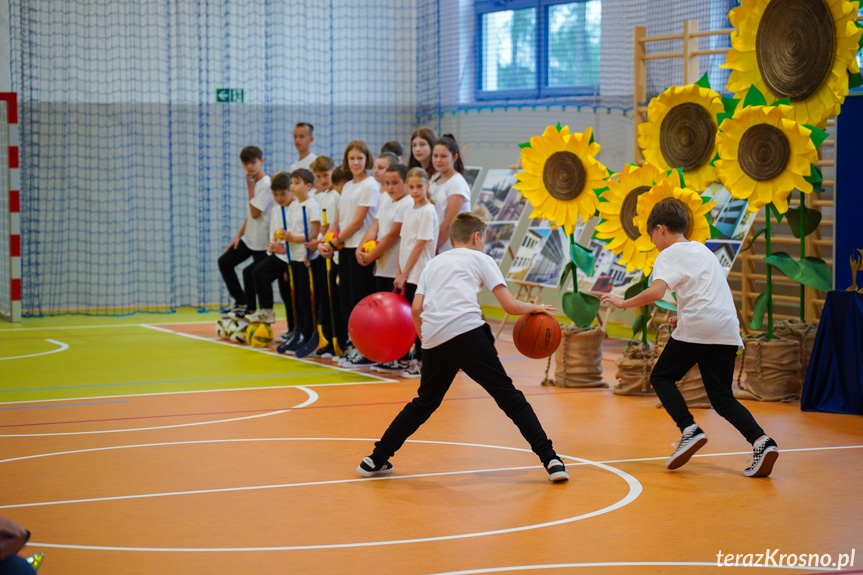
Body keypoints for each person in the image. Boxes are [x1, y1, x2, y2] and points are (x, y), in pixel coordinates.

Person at [356, 212, 569, 483]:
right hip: (468, 332)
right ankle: (551, 460)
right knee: (509, 397)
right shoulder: (481, 258)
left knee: (424, 403)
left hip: (435, 338)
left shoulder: (432, 264)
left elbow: (417, 308)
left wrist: (426, 340)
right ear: (477, 237)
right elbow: (510, 306)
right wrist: (536, 307)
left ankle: (374, 459)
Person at [600, 197, 779, 478]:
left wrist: (622, 302)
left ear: (660, 229)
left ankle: (689, 429)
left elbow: (658, 292)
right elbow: (710, 292)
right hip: (726, 327)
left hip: (700, 325)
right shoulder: (704, 252)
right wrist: (683, 317)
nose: (654, 244)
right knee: (722, 397)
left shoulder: (668, 254)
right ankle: (762, 442)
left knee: (661, 377)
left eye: (652, 237)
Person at [326, 141, 380, 367]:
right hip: (345, 249)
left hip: (360, 248)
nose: (356, 162)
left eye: (360, 158)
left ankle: (367, 349)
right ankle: (354, 344)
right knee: (347, 299)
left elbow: (358, 222)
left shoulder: (370, 185)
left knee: (361, 300)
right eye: (352, 159)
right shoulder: (348, 185)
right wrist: (326, 241)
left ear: (367, 159)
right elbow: (338, 219)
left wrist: (336, 241)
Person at [255, 168, 321, 354]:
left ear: (308, 186)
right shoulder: (292, 207)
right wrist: (284, 240)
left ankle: (310, 336)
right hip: (294, 258)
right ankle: (298, 333)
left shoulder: (312, 205)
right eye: (291, 183)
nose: (292, 186)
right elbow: (291, 234)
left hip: (307, 259)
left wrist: (292, 238)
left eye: (296, 183)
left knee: (307, 302)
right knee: (298, 299)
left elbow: (314, 235)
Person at [218, 146, 273, 318]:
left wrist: (249, 188)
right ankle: (240, 301)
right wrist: (238, 235)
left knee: (253, 274)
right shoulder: (254, 182)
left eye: (253, 162)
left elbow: (255, 212)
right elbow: (250, 215)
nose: (250, 167)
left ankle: (254, 309)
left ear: (261, 161)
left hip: (263, 241)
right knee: (225, 262)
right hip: (250, 238)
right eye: (246, 164)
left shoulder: (266, 184)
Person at [394, 167, 438, 378]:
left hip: (420, 272)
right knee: (409, 318)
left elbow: (420, 244)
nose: (414, 191)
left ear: (427, 186)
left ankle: (423, 361)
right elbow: (404, 242)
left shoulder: (428, 211)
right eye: (411, 187)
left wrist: (406, 273)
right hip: (407, 273)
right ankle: (410, 355)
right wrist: (398, 271)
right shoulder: (408, 210)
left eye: (419, 187)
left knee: (420, 316)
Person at [244, 172, 295, 333]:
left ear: (290, 191)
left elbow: (299, 236)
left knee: (289, 296)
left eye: (283, 194)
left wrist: (286, 256)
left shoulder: (296, 209)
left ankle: (294, 329)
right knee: (255, 272)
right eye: (275, 195)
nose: (279, 198)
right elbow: (274, 233)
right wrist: (272, 248)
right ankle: (267, 311)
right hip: (278, 255)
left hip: (292, 258)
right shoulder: (276, 210)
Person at [358, 164, 412, 294]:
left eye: (395, 183)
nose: (390, 187)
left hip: (395, 270)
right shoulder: (386, 199)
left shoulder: (407, 203)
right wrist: (359, 249)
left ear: (406, 182)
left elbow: (392, 235)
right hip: (381, 266)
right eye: (387, 183)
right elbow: (374, 227)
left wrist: (371, 256)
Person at [308, 156, 343, 357]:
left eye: (326, 175)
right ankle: (328, 339)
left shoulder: (338, 195)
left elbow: (336, 225)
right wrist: (319, 242)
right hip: (323, 249)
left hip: (334, 251)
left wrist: (327, 241)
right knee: (324, 296)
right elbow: (324, 226)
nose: (322, 179)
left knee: (335, 298)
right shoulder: (323, 197)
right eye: (319, 176)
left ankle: (339, 338)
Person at [429, 134, 471, 254]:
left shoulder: (456, 183)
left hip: (450, 248)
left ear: (455, 157)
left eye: (443, 156)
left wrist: (432, 247)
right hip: (436, 245)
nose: (438, 160)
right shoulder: (434, 179)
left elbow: (449, 223)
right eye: (435, 156)